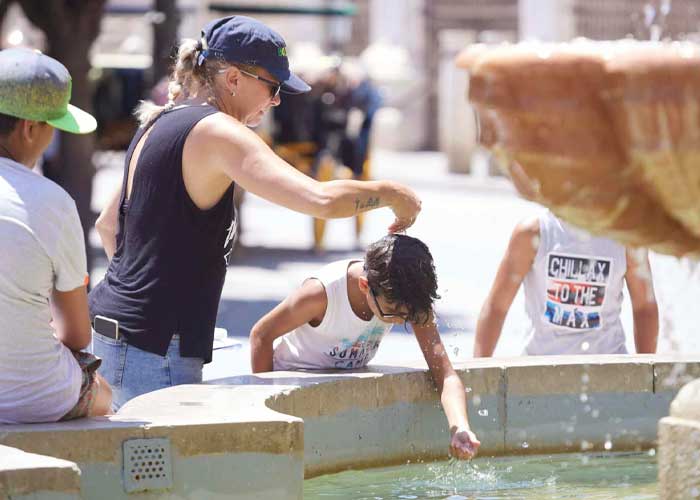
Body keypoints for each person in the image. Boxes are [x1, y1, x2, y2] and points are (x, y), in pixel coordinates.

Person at [89, 16, 421, 410]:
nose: (278, 100)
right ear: (233, 79)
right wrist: (391, 193)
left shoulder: (160, 121)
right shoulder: (218, 132)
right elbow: (319, 199)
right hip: (155, 347)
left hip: (119, 334)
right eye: (273, 86)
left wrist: (147, 296)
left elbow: (108, 224)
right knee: (169, 471)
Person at [250, 234, 481, 459]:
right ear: (364, 285)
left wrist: (459, 428)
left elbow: (446, 375)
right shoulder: (320, 295)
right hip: (293, 381)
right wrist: (269, 415)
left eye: (407, 315)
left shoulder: (407, 299)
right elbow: (261, 334)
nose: (402, 320)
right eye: (393, 312)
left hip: (339, 394)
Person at [0, 48, 112, 423]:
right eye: (53, 127)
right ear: (30, 128)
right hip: (32, 396)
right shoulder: (52, 202)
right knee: (105, 394)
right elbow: (77, 335)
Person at [473, 210, 659, 357]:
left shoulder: (626, 238)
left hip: (608, 366)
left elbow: (645, 308)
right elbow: (497, 307)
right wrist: (478, 375)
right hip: (540, 368)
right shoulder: (533, 233)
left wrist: (648, 377)